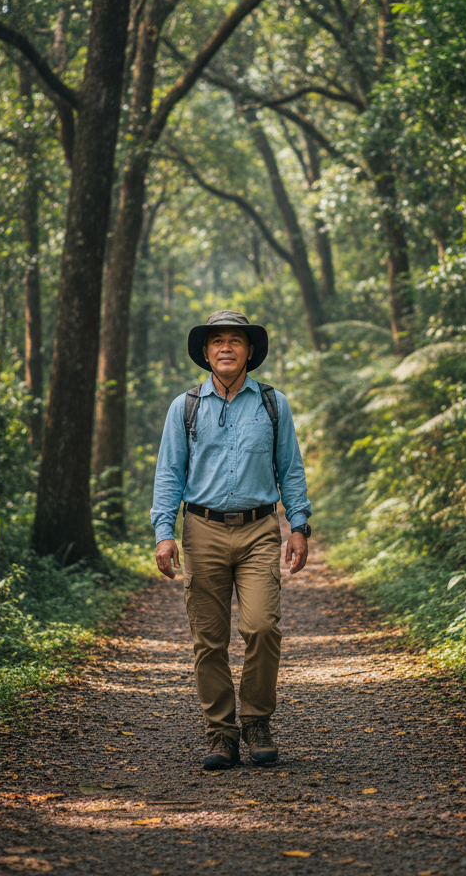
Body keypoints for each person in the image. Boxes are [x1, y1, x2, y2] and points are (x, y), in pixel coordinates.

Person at [151, 310, 312, 770]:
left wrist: (298, 525)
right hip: (201, 530)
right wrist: (164, 533)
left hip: (260, 529)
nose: (226, 347)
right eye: (217, 340)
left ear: (249, 352)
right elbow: (168, 473)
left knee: (262, 627)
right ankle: (221, 734)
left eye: (235, 341)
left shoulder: (272, 404)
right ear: (205, 353)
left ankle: (256, 721)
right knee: (210, 639)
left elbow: (291, 469)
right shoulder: (185, 406)